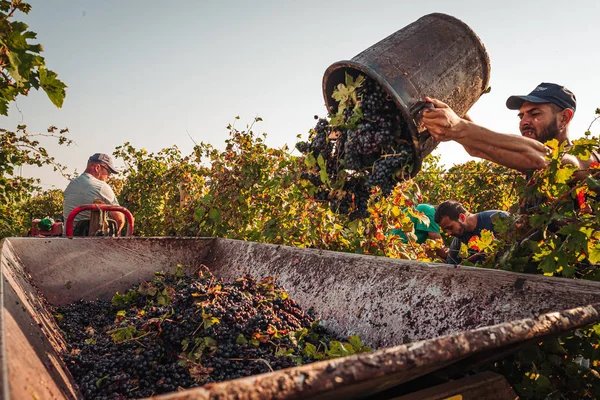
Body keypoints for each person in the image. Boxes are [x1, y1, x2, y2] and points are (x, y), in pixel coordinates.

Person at [421, 83, 599, 181]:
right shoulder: (526, 158)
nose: (524, 122)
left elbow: (545, 160)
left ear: (564, 118)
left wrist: (459, 127)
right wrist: (457, 108)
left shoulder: (588, 159)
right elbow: (477, 148)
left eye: (535, 114)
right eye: (521, 116)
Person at [63, 153, 125, 236]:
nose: (109, 176)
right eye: (108, 172)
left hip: (68, 238)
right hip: (94, 243)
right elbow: (119, 219)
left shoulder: (70, 185)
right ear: (97, 168)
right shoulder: (102, 186)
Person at [434, 200, 508, 265]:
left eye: (450, 228)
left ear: (462, 218)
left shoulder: (498, 218)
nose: (449, 233)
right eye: (445, 230)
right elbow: (451, 267)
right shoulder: (457, 242)